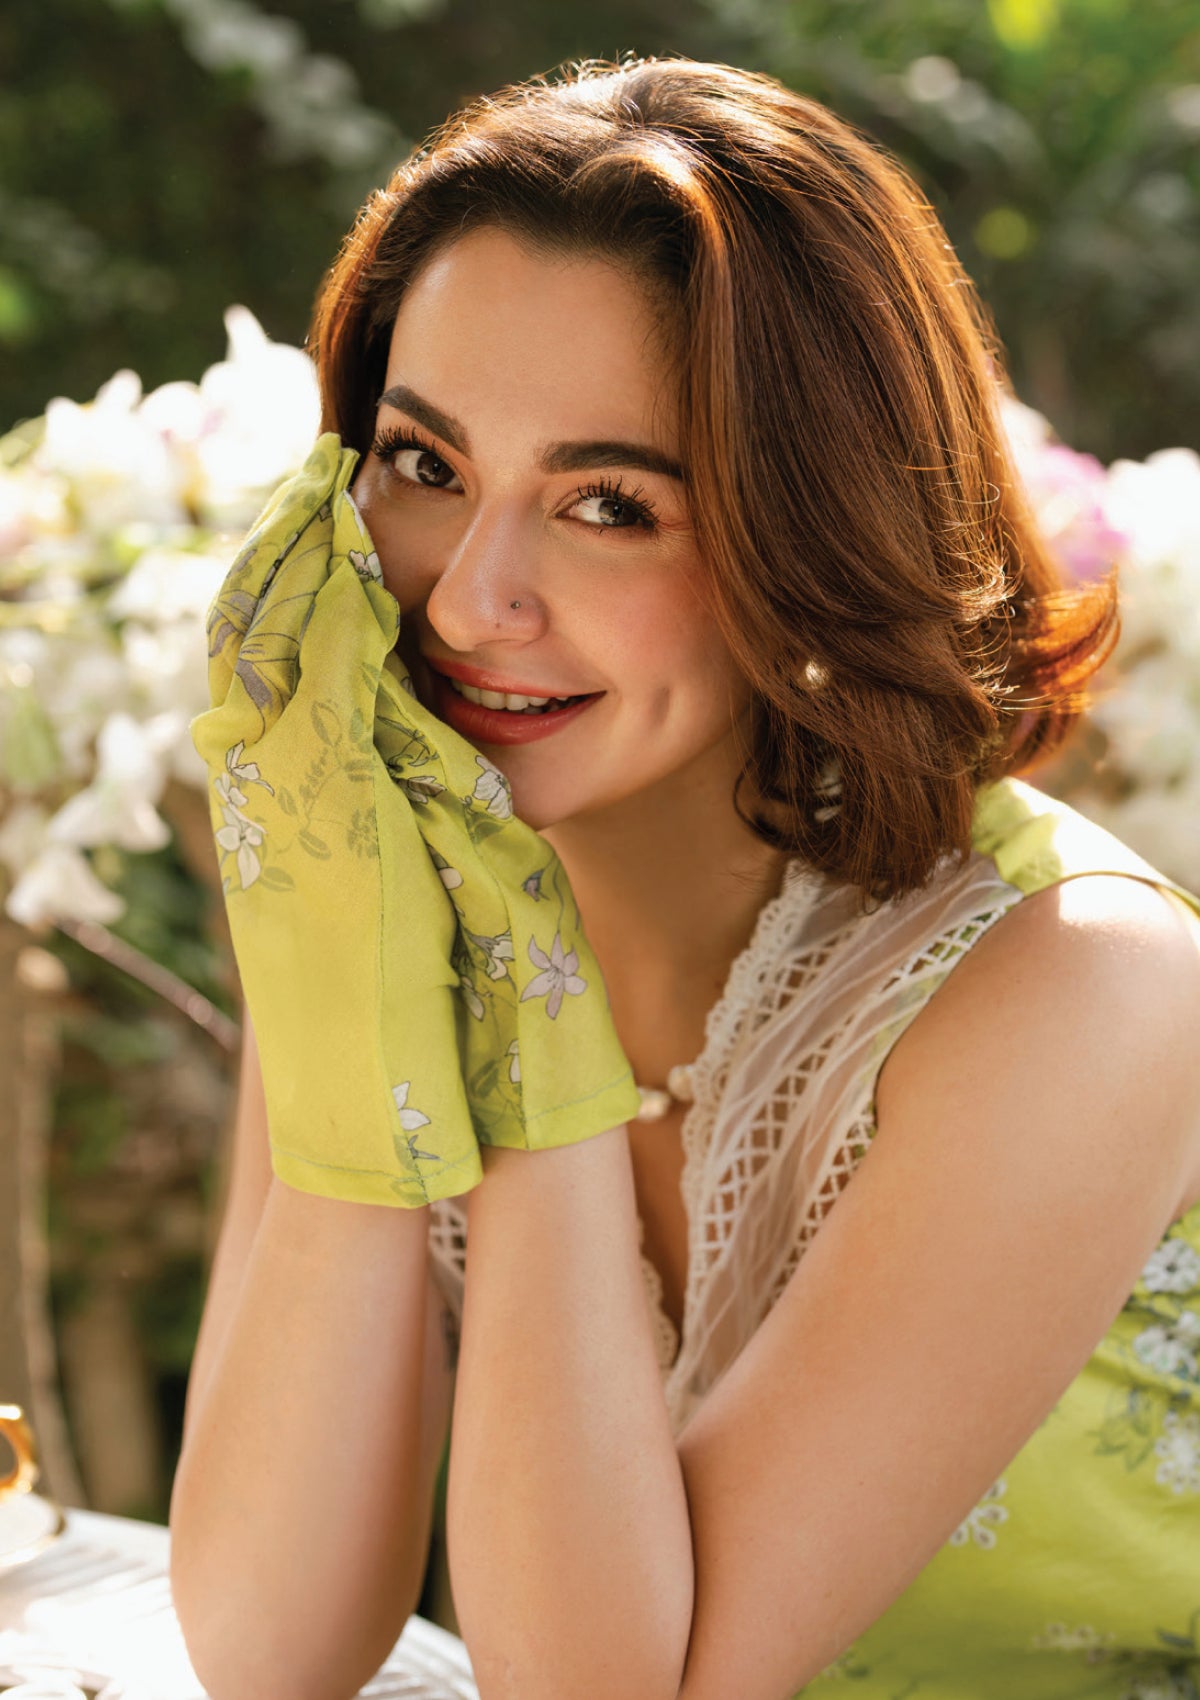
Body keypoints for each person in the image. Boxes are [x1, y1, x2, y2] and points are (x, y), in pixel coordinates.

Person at [168, 56, 1200, 1700]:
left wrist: (533, 1023)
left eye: (609, 504)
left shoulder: (1087, 983)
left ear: (811, 535)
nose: (471, 600)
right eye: (426, 466)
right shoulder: (387, 884)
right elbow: (268, 1643)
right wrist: (336, 960)